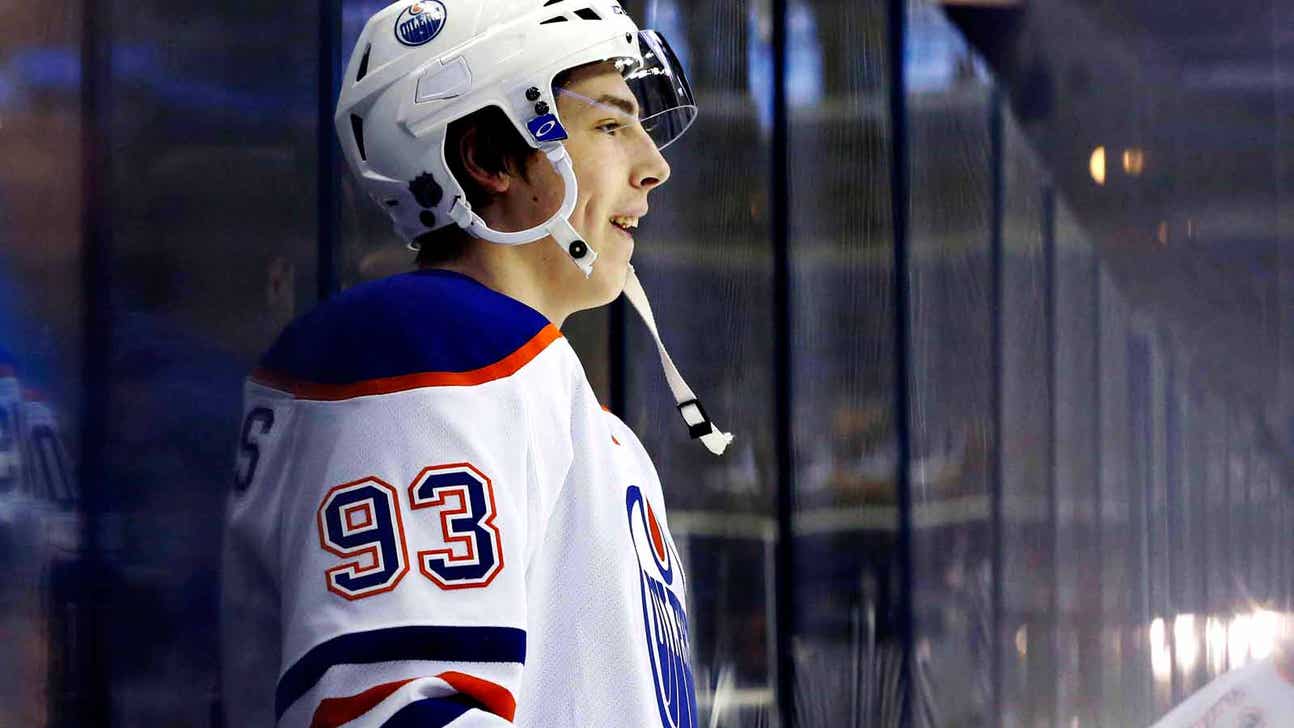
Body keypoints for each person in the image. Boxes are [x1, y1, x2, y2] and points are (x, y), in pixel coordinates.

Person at [220, 1, 731, 726]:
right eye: (613, 126)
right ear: (489, 157)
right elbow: (388, 712)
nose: (655, 167)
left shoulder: (563, 407)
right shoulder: (426, 348)